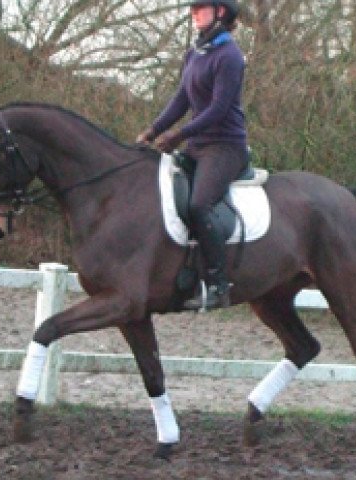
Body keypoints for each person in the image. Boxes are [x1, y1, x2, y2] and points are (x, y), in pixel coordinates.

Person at [136, 0, 248, 310]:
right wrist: (153, 130)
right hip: (197, 147)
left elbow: (218, 108)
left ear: (220, 12)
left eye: (200, 8)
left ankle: (217, 283)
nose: (194, 13)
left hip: (225, 146)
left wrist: (179, 134)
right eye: (193, 9)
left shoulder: (230, 56)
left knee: (199, 204)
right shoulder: (195, 53)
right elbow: (181, 100)